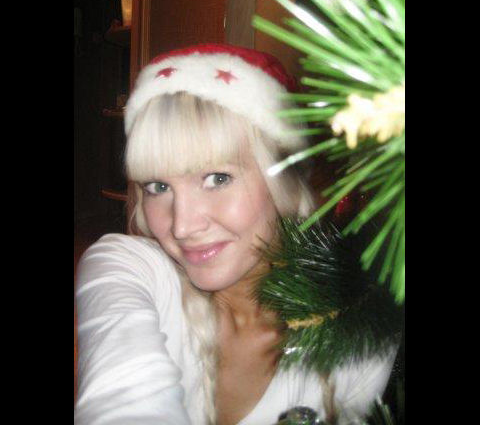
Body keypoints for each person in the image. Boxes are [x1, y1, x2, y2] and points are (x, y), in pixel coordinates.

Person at [74, 43, 396, 425]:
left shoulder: (362, 334)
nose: (182, 226)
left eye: (217, 178)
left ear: (284, 183)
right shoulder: (127, 268)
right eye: (158, 187)